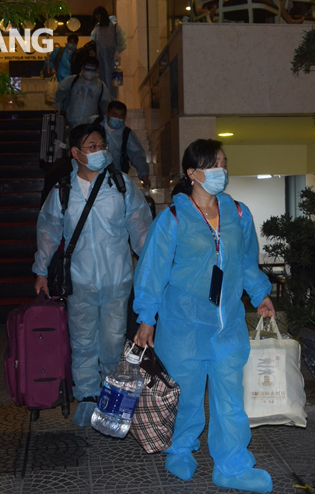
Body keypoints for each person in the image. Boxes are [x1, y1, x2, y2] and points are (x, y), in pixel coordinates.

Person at [133, 139, 275, 493]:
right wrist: (146, 317)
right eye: (213, 165)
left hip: (227, 326)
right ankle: (180, 447)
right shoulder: (173, 218)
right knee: (188, 395)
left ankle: (232, 465)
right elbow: (152, 270)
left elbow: (246, 261)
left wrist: (261, 295)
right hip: (183, 327)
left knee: (230, 400)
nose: (221, 171)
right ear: (192, 173)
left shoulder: (238, 213)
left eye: (224, 163)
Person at [32, 123, 152, 427]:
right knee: (83, 339)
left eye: (102, 146)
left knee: (112, 340)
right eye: (92, 146)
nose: (100, 152)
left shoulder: (122, 185)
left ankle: (110, 394)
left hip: (117, 279)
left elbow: (142, 231)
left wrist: (153, 270)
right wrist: (41, 269)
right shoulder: (64, 191)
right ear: (75, 153)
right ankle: (86, 395)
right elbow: (47, 230)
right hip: (81, 279)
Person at [88, 101, 151, 189]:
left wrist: (144, 175)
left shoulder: (127, 134)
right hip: (92, 174)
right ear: (107, 113)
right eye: (115, 114)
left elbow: (137, 155)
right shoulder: (94, 128)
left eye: (121, 115)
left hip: (115, 176)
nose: (118, 118)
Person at [54, 57, 110, 129]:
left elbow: (105, 106)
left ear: (97, 70)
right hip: (71, 122)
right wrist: (58, 106)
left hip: (91, 124)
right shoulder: (73, 80)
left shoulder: (101, 86)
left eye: (92, 69)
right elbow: (60, 92)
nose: (89, 72)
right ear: (82, 68)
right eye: (87, 68)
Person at [90, 7, 127, 99]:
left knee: (112, 83)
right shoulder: (97, 29)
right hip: (101, 59)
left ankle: (112, 100)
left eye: (99, 18)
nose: (98, 20)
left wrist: (117, 52)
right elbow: (93, 42)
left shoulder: (115, 27)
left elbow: (121, 42)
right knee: (102, 81)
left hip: (112, 59)